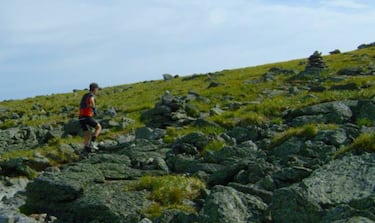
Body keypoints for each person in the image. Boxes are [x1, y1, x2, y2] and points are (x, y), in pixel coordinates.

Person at [79, 82, 102, 155]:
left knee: (87, 134)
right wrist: (94, 109)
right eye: (97, 89)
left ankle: (85, 149)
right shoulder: (91, 95)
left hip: (81, 118)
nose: (97, 91)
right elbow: (91, 100)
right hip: (87, 116)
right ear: (95, 89)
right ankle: (92, 143)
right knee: (98, 127)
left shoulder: (85, 95)